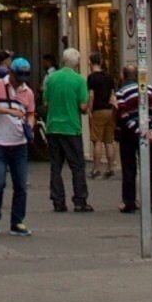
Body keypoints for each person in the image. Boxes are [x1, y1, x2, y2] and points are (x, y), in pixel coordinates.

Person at [0, 57, 36, 235]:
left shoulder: (28, 92)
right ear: (11, 73)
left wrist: (30, 125)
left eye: (23, 78)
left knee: (20, 185)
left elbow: (31, 113)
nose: (21, 81)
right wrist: (8, 111)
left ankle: (17, 221)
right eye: (18, 77)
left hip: (19, 143)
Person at [41, 49, 92, 214]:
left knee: (56, 166)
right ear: (77, 63)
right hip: (71, 127)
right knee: (77, 166)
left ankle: (58, 201)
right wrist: (89, 101)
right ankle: (80, 200)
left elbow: (46, 102)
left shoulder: (52, 79)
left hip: (53, 127)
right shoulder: (79, 80)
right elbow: (83, 108)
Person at [111, 65, 152, 215]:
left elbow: (123, 114)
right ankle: (151, 201)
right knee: (150, 168)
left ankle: (129, 202)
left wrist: (138, 130)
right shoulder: (151, 89)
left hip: (129, 134)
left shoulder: (121, 93)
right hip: (151, 134)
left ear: (123, 76)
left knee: (129, 167)